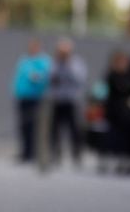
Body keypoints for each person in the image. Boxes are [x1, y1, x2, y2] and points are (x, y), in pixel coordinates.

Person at [12, 37, 52, 163]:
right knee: (23, 126)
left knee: (33, 126)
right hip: (23, 96)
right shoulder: (25, 60)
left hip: (35, 98)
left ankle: (33, 153)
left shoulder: (43, 61)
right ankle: (25, 151)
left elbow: (45, 77)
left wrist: (37, 77)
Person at [48, 37, 86, 167]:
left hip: (72, 101)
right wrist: (58, 65)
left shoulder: (76, 62)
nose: (62, 54)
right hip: (57, 100)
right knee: (55, 130)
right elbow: (49, 78)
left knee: (75, 130)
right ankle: (55, 154)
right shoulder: (54, 63)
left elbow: (79, 79)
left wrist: (68, 64)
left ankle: (77, 155)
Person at [103, 49, 130, 175]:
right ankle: (113, 159)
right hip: (114, 111)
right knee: (113, 136)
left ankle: (127, 160)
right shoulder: (112, 75)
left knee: (127, 137)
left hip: (127, 112)